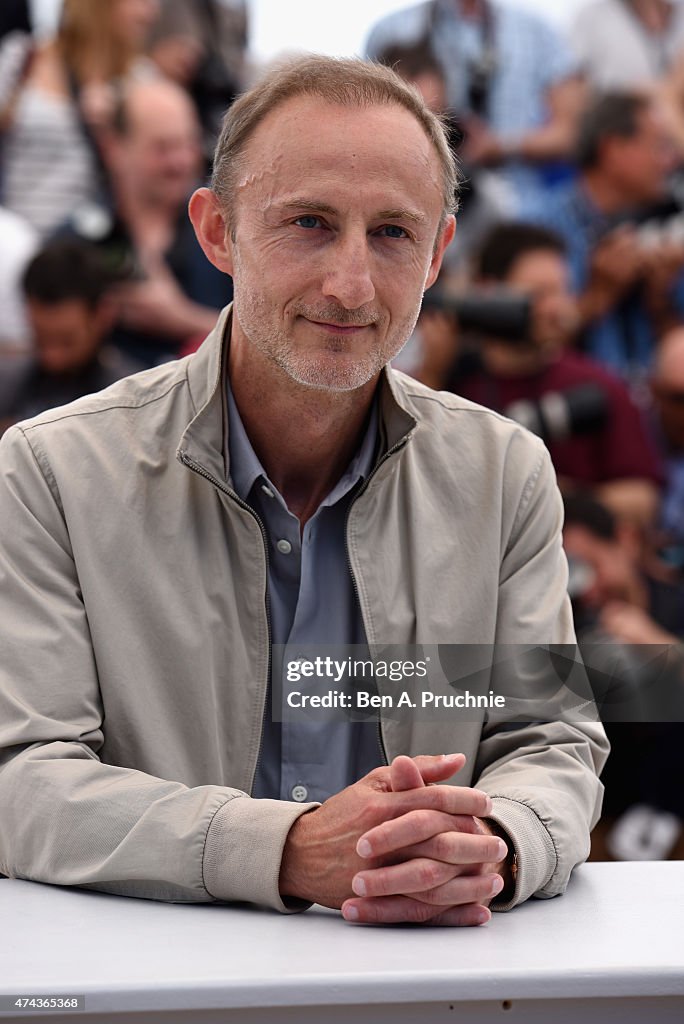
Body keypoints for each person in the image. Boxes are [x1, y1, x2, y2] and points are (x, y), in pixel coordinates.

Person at [0, 56, 607, 926]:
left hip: (424, 988)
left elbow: (547, 742)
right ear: (217, 232)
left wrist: (491, 848)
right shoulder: (50, 472)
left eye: (394, 233)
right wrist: (285, 850)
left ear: (439, 254)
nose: (351, 285)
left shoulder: (506, 475)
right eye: (311, 223)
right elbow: (21, 780)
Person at [413, 222, 663, 527]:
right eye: (539, 294)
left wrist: (549, 493)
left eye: (563, 291)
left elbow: (642, 500)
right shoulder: (448, 380)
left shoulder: (598, 384)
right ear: (487, 292)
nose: (557, 308)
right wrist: (432, 374)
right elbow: (408, 475)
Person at [521, 91, 684, 390]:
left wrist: (659, 297)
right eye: (660, 146)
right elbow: (520, 347)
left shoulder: (657, 228)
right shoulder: (535, 225)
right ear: (613, 149)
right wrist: (596, 297)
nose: (671, 161)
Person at [66, 77, 233, 366]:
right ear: (114, 148)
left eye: (188, 143)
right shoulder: (76, 241)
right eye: (163, 147)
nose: (180, 161)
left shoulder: (229, 231)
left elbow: (271, 347)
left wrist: (181, 319)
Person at [365, 0, 585, 209]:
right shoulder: (392, 30)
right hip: (415, 195)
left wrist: (500, 145)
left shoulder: (537, 32)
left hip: (517, 204)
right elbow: (368, 123)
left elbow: (572, 134)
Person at [0, 0, 160, 238]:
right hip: (14, 243)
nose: (151, 12)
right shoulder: (22, 57)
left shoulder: (142, 78)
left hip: (85, 248)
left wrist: (112, 129)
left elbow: (154, 181)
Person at [0, 239, 139, 433]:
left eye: (67, 342)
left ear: (103, 315)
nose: (52, 357)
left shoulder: (131, 401)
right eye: (40, 339)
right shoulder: (7, 383)